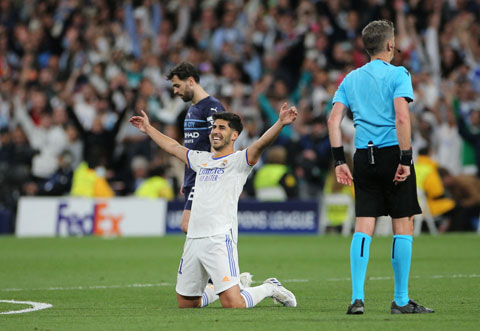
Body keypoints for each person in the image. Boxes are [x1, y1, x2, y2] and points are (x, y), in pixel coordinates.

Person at [129, 103, 298, 308]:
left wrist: (280, 123)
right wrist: (148, 129)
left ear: (234, 135)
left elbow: (261, 143)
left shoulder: (239, 161)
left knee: (234, 304)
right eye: (214, 127)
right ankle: (231, 286)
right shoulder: (202, 160)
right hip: (193, 238)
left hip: (218, 238)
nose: (215, 131)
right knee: (187, 303)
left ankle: (270, 287)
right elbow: (173, 147)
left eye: (222, 128)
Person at [327, 20, 434, 315]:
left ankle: (357, 299)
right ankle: (401, 300)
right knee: (403, 224)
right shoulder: (399, 74)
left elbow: (333, 120)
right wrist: (405, 158)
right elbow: (402, 117)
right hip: (391, 154)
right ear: (390, 45)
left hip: (363, 156)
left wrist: (339, 161)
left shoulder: (351, 78)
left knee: (364, 225)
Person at [166, 62, 226, 235]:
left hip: (205, 178)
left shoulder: (212, 107)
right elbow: (193, 148)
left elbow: (220, 144)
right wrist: (188, 180)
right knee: (197, 229)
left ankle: (218, 259)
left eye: (177, 85)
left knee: (188, 225)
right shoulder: (192, 110)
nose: (175, 91)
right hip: (193, 179)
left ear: (191, 81)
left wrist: (209, 178)